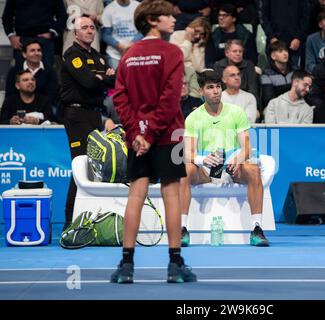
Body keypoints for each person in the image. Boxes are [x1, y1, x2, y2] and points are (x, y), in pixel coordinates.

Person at [112, 0, 197, 284]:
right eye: (168, 16)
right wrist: (149, 134)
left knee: (136, 193)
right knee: (172, 192)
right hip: (168, 134)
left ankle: (126, 265)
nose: (174, 20)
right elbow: (171, 99)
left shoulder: (129, 55)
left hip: (138, 137)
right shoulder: (171, 52)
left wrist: (136, 132)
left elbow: (120, 98)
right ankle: (175, 265)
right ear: (151, 20)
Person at [180, 69, 270, 247]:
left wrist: (237, 159)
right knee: (184, 171)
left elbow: (246, 147)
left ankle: (257, 229)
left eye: (218, 87)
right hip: (207, 168)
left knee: (253, 169)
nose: (215, 91)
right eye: (210, 87)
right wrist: (202, 160)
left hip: (232, 166)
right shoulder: (193, 118)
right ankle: (182, 229)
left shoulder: (236, 112)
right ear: (201, 92)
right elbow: (189, 153)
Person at [60, 16, 116, 230]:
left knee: (95, 166)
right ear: (76, 33)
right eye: (84, 28)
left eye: (92, 27)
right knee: (80, 163)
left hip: (95, 115)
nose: (89, 31)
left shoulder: (99, 57)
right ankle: (69, 220)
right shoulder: (72, 54)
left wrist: (101, 78)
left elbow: (114, 80)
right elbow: (88, 82)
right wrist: (103, 77)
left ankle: (90, 217)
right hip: (76, 114)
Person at [2, 0, 67, 69]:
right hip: (22, 41)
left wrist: (52, 33)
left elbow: (62, 16)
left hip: (45, 41)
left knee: (46, 73)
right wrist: (11, 36)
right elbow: (7, 16)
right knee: (21, 74)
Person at [5, 40, 58, 108]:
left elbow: (51, 96)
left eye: (39, 50)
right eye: (32, 50)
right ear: (24, 54)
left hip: (43, 108)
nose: (37, 53)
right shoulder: (14, 71)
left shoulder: (50, 71)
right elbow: (10, 95)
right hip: (20, 109)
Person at [259, 0, 310, 67]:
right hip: (275, 41)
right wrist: (271, 37)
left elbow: (305, 17)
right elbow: (263, 17)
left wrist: (298, 38)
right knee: (272, 72)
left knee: (293, 74)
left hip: (294, 43)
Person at [213, 39, 259, 105]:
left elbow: (253, 89)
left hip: (245, 100)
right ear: (227, 53)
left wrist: (255, 106)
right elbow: (217, 88)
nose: (238, 54)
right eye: (235, 51)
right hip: (224, 100)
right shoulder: (218, 66)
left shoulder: (249, 65)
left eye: (240, 51)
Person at [101, 0, 143, 70]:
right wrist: (118, 45)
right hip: (115, 55)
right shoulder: (108, 9)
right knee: (116, 79)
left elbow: (143, 29)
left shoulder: (139, 7)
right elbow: (105, 34)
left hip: (136, 52)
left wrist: (133, 43)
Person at [260, 40, 299, 113]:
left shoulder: (295, 70)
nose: (285, 54)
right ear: (273, 56)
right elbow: (268, 98)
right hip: (276, 107)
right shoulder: (267, 74)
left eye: (286, 51)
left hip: (295, 105)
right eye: (280, 51)